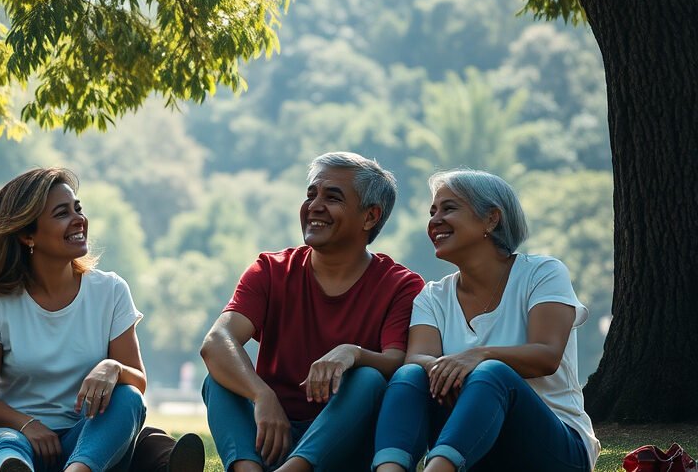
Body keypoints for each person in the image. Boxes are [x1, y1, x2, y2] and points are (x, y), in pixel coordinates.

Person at [0, 167, 202, 472]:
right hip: (13, 436)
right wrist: (27, 425)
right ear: (26, 234)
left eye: (78, 208)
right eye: (62, 213)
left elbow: (138, 382)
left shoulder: (110, 290)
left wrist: (111, 367)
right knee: (7, 447)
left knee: (127, 397)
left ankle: (80, 470)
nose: (79, 220)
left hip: (83, 440)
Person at [200, 152, 425, 472]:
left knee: (369, 379)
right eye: (310, 195)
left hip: (345, 442)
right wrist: (262, 395)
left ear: (370, 217)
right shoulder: (270, 269)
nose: (314, 206)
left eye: (332, 197)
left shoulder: (401, 285)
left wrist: (354, 353)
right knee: (219, 379)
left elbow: (400, 361)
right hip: (273, 434)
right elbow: (217, 340)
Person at [372, 169, 600, 472]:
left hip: (555, 449)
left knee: (493, 372)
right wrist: (452, 369)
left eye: (449, 208)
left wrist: (478, 356)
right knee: (409, 376)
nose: (435, 220)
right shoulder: (433, 296)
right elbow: (416, 358)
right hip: (476, 447)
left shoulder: (542, 273)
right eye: (433, 211)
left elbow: (547, 355)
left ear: (492, 218)